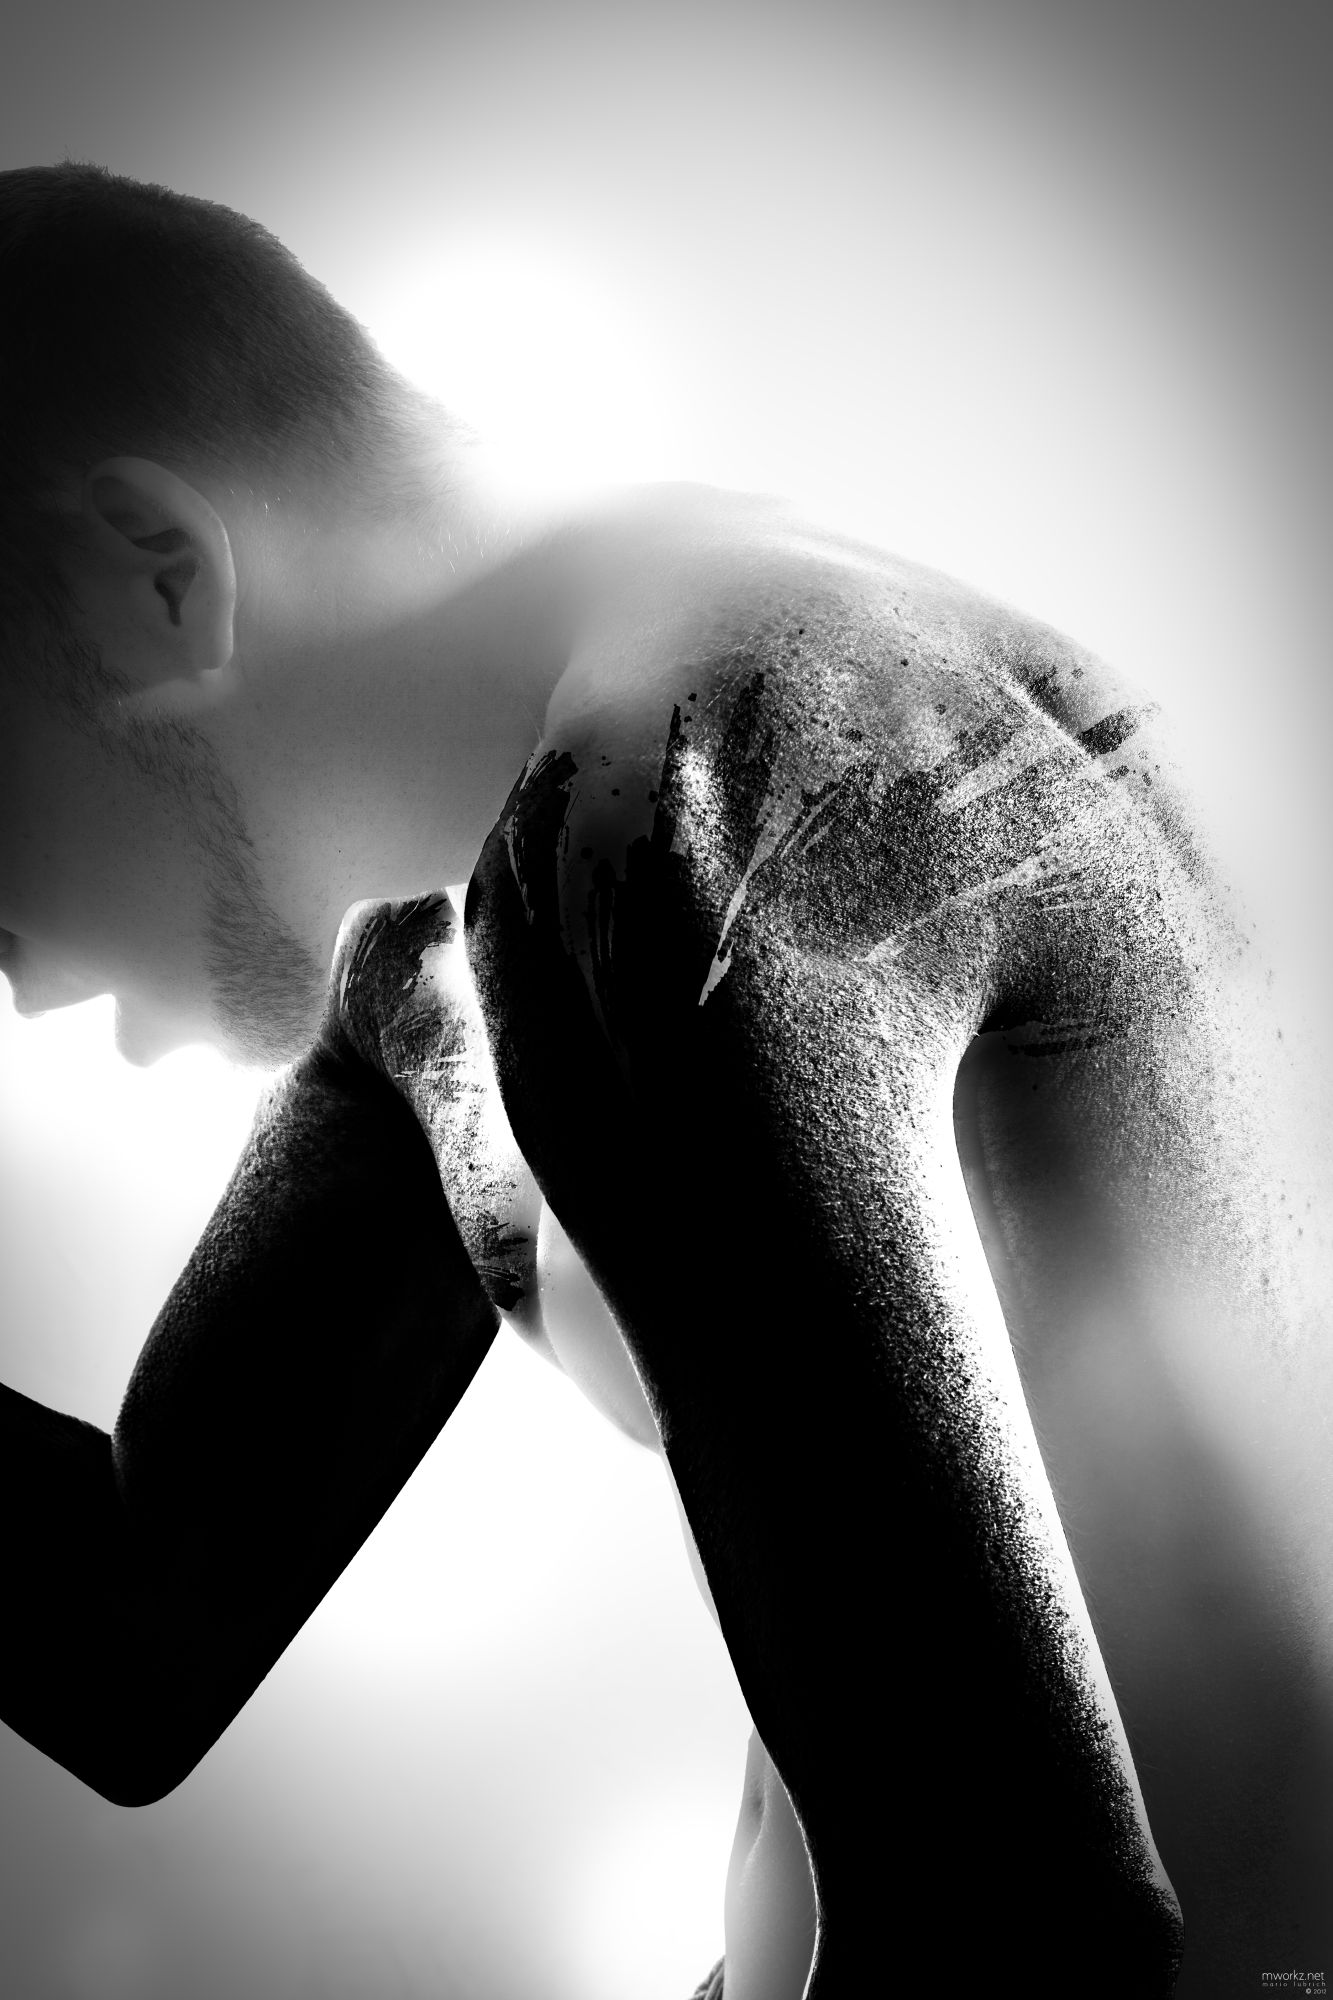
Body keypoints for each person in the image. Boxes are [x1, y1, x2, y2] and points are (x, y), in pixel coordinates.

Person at [0, 162, 1326, 1999]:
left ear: (142, 575)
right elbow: (133, 1634)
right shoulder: (451, 946)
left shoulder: (678, 799)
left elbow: (1024, 1920)